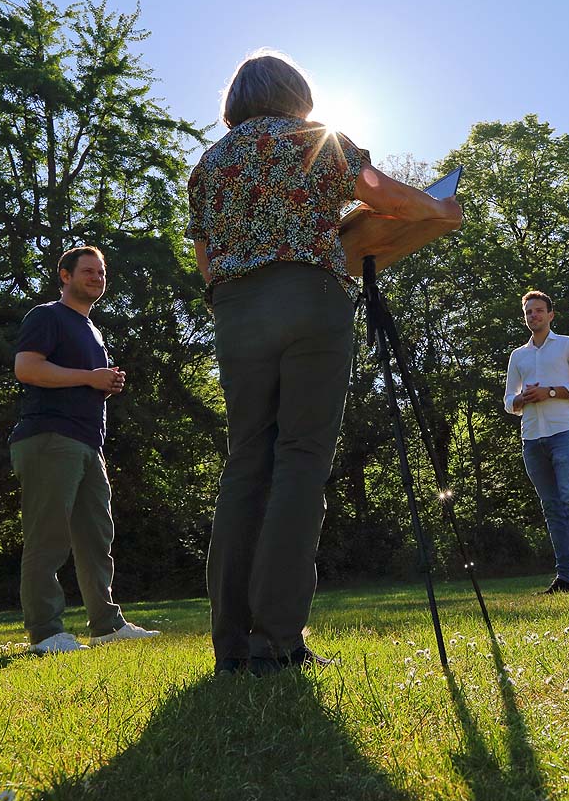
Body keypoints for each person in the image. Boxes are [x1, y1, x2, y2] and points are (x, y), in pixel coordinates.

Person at [188, 50, 461, 676]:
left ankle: (230, 643)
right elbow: (384, 197)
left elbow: (205, 261)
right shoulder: (316, 139)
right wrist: (440, 209)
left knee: (245, 461)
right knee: (301, 459)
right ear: (297, 92)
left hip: (235, 312)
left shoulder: (210, 162)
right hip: (310, 299)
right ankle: (276, 638)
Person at [10, 246, 161, 654]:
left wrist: (102, 383)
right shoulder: (47, 316)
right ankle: (46, 632)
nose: (96, 277)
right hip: (48, 438)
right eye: (87, 271)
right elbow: (27, 367)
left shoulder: (93, 331)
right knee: (48, 538)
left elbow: (83, 382)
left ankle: (107, 626)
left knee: (96, 537)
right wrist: (89, 378)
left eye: (101, 272)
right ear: (64, 276)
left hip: (86, 444)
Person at [503, 291, 569, 595]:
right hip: (531, 438)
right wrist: (521, 398)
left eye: (539, 311)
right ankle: (565, 576)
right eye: (529, 312)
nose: (534, 316)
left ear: (551, 315)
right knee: (551, 507)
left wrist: (551, 392)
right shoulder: (518, 356)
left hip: (562, 434)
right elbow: (508, 401)